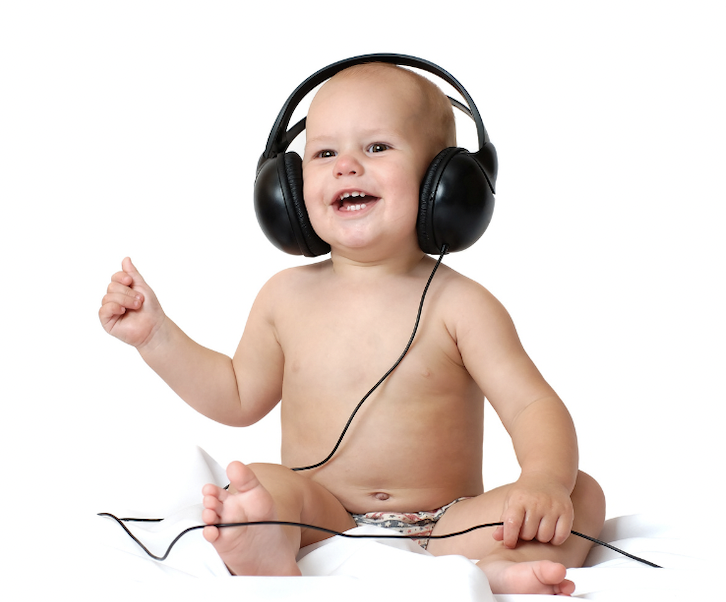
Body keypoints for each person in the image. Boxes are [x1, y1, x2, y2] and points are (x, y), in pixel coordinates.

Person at [98, 61, 605, 596]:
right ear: (288, 190)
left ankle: (498, 565)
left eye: (378, 148)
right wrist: (156, 337)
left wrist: (543, 481)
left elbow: (531, 407)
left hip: (448, 527)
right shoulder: (284, 296)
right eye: (324, 153)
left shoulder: (463, 304)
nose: (346, 167)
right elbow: (237, 397)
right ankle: (266, 548)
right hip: (324, 517)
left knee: (583, 495)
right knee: (265, 483)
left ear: (445, 183)